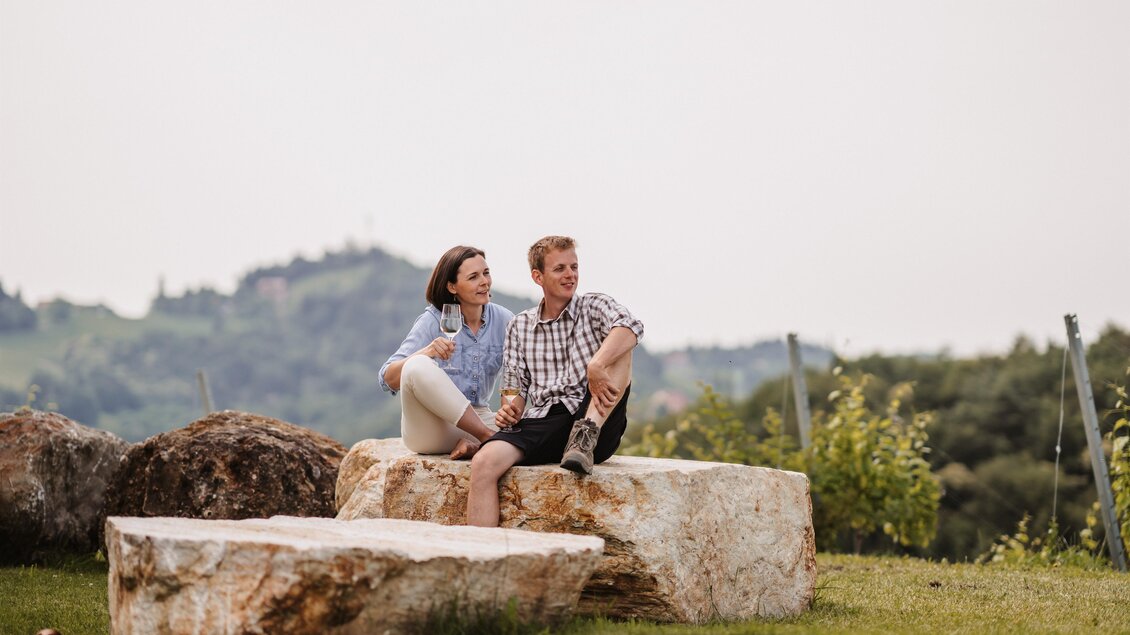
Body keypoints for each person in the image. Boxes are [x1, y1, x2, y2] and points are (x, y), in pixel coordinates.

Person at [467, 235, 643, 527]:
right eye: (560, 268)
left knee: (622, 344)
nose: (570, 274)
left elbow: (631, 325)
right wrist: (511, 407)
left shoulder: (594, 305)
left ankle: (582, 439)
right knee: (483, 464)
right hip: (545, 420)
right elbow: (514, 387)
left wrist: (596, 364)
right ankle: (480, 551)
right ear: (538, 277)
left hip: (594, 418)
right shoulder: (519, 326)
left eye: (574, 266)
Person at [379, 245, 514, 460]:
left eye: (486, 273)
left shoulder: (505, 320)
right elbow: (387, 379)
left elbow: (518, 373)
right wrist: (426, 352)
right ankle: (488, 439)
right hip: (432, 427)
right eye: (473, 277)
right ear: (452, 287)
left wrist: (509, 408)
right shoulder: (433, 320)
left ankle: (476, 445)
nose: (484, 282)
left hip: (480, 417)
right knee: (416, 365)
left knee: (542, 423)